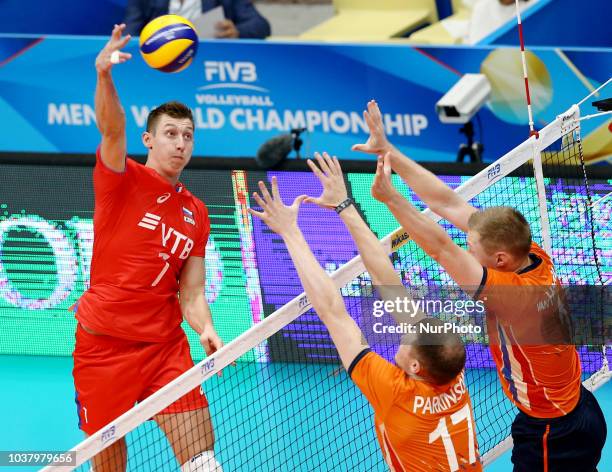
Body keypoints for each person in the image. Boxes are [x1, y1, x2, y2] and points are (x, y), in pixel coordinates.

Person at [353, 100, 607, 471]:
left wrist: (391, 198)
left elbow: (442, 249)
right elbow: (448, 203)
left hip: (554, 432)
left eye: (472, 249)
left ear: (500, 259)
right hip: (576, 407)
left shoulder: (511, 296)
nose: (466, 248)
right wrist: (388, 151)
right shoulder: (532, 254)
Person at [248, 153, 482, 471]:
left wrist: (290, 232)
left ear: (415, 365)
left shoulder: (394, 390)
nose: (407, 325)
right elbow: (387, 280)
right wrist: (343, 204)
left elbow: (333, 313)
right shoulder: (450, 371)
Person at [72, 24, 224, 472]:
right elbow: (111, 127)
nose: (180, 143)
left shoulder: (196, 211)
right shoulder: (121, 180)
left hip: (165, 350)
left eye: (188, 136)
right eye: (171, 133)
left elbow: (191, 292)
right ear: (149, 140)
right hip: (104, 348)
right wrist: (104, 74)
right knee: (109, 466)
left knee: (204, 464)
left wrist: (206, 329)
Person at [124, 0, 271, 38]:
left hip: (209, 63)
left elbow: (262, 25)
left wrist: (237, 31)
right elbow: (129, 35)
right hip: (161, 66)